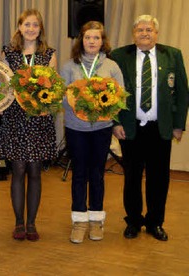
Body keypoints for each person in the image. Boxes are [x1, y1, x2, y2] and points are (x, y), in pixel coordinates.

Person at [110, 15, 189, 242]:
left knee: (159, 178)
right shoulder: (119, 56)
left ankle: (155, 223)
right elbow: (110, 92)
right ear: (133, 33)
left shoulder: (172, 54)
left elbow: (183, 92)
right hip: (130, 128)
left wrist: (178, 125)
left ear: (157, 33)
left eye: (149, 29)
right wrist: (115, 123)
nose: (145, 33)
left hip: (160, 128)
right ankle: (133, 221)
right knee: (132, 178)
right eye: (140, 30)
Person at [59, 21, 124, 243]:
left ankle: (96, 220)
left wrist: (108, 114)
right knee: (79, 174)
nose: (92, 42)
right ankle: (79, 221)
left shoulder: (112, 67)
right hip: (75, 128)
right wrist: (81, 101)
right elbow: (61, 98)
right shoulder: (69, 67)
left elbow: (119, 99)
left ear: (102, 41)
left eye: (96, 38)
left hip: (102, 129)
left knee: (97, 174)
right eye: (88, 38)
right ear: (81, 41)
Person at [0, 9, 57, 242]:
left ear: (40, 29)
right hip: (14, 119)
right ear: (19, 27)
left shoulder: (49, 54)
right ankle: (18, 223)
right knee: (18, 170)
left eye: (36, 25)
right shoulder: (8, 53)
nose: (31, 29)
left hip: (39, 119)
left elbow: (54, 88)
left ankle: (32, 223)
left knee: (35, 171)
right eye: (27, 24)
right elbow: (2, 86)